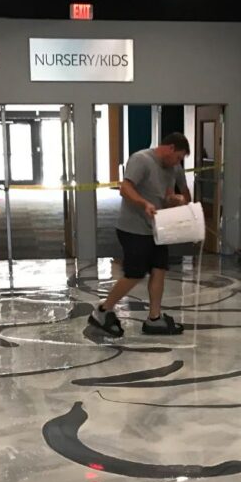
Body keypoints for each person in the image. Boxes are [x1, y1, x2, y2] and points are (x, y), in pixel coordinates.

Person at [89, 133, 191, 337]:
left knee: (159, 269)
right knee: (134, 274)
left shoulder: (174, 168)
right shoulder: (141, 160)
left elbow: (178, 193)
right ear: (170, 148)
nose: (178, 162)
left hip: (158, 229)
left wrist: (178, 200)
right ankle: (102, 311)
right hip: (133, 228)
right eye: (178, 157)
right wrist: (143, 203)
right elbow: (125, 188)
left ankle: (154, 318)